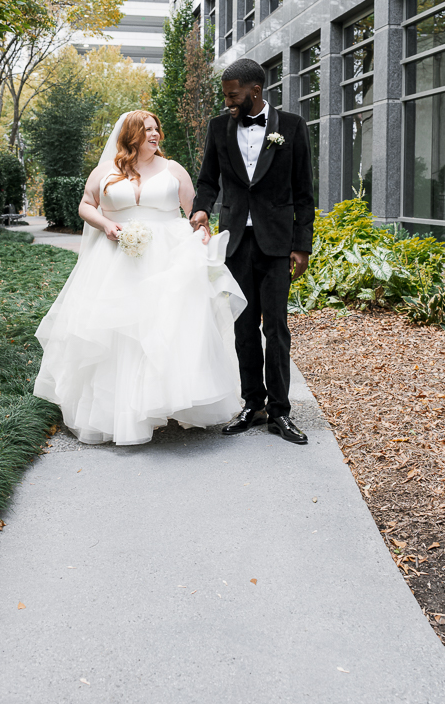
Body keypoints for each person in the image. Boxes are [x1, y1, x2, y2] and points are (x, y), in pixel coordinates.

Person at [33, 110, 246, 446]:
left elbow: (194, 212)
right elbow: (86, 205)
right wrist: (106, 224)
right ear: (130, 134)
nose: (154, 134)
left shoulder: (173, 170)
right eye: (147, 129)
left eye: (156, 128)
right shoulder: (105, 171)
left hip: (166, 259)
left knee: (166, 328)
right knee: (119, 333)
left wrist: (202, 230)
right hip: (115, 259)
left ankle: (169, 401)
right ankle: (121, 412)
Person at [190, 59, 315, 445]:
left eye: (233, 95)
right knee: (243, 327)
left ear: (255, 91)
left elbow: (304, 193)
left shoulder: (292, 126)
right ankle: (252, 404)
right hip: (235, 243)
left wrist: (301, 246)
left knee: (275, 328)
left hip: (276, 244)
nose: (227, 102)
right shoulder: (218, 127)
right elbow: (208, 180)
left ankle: (280, 411)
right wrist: (200, 208)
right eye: (226, 96)